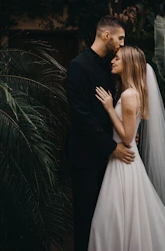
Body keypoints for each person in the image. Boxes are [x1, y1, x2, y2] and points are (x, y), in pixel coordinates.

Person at [88, 45, 165, 251]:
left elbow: (128, 136)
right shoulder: (130, 92)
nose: (112, 61)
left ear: (129, 65)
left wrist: (108, 108)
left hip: (124, 163)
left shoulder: (129, 95)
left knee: (108, 221)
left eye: (118, 59)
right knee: (120, 220)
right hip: (122, 160)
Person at [66, 16, 136, 251]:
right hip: (86, 156)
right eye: (120, 39)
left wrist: (128, 133)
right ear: (107, 36)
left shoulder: (113, 66)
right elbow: (81, 115)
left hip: (111, 158)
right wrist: (111, 146)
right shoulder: (78, 66)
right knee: (86, 218)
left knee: (108, 218)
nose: (121, 45)